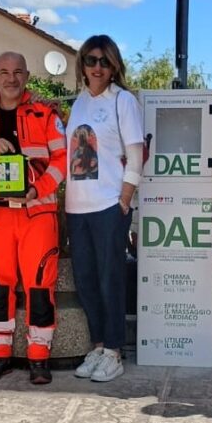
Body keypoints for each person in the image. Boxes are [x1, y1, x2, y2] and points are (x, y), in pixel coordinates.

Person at [0, 52, 67, 385]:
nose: (11, 78)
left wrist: (38, 189)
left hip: (37, 212)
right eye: (4, 72)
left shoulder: (45, 113)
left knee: (40, 283)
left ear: (27, 76)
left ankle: (39, 356)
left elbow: (62, 160)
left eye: (18, 72)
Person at [65, 36, 143, 383]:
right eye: (91, 60)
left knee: (111, 280)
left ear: (114, 67)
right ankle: (98, 346)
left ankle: (113, 351)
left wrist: (124, 199)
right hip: (77, 208)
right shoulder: (79, 102)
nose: (97, 67)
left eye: (105, 61)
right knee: (86, 281)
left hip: (109, 205)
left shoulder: (122, 101)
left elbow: (136, 155)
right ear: (82, 64)